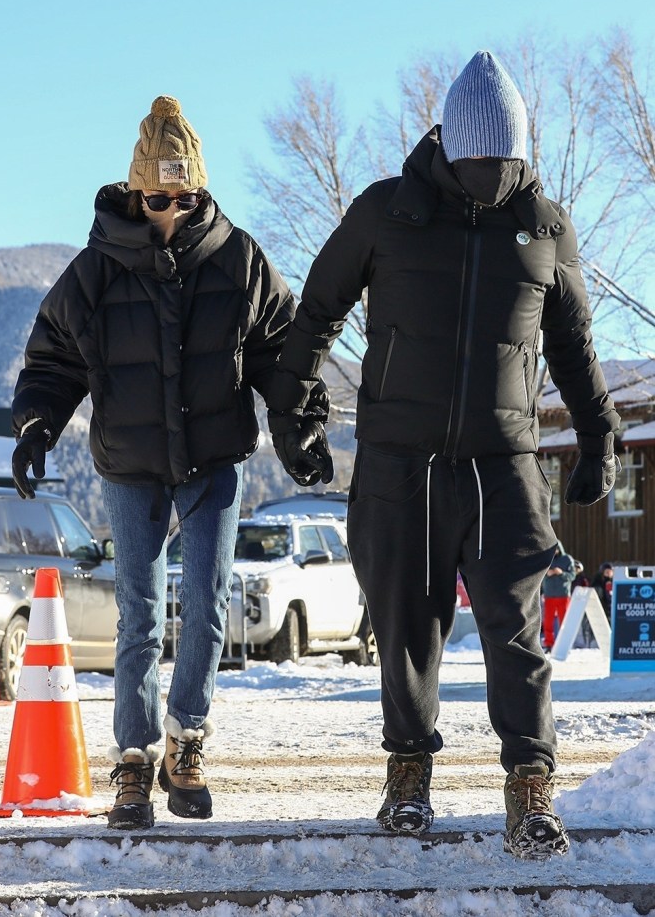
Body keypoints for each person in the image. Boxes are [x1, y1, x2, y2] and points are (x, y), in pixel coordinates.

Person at [265, 51, 620, 859]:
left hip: (505, 466)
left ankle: (531, 787)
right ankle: (409, 776)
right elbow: (316, 311)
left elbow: (574, 343)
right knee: (405, 626)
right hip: (400, 463)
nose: (496, 175)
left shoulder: (546, 226)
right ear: (451, 149)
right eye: (480, 162)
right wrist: (293, 412)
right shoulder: (387, 211)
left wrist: (598, 434)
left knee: (515, 630)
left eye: (509, 161)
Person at [10, 95, 331, 831]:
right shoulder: (94, 271)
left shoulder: (239, 258)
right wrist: (35, 425)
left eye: (184, 195)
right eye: (158, 196)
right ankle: (134, 758)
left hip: (214, 455)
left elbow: (283, 357)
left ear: (200, 189)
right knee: (141, 616)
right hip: (129, 462)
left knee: (211, 607)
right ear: (134, 189)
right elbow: (53, 355)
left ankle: (186, 742)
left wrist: (299, 428)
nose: (170, 209)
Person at [541, 559, 573, 650]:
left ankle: (564, 644)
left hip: (563, 595)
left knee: (564, 621)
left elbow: (572, 576)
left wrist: (561, 573)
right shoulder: (546, 558)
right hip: (549, 595)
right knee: (548, 621)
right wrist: (547, 574)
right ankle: (549, 644)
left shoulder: (567, 559)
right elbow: (537, 575)